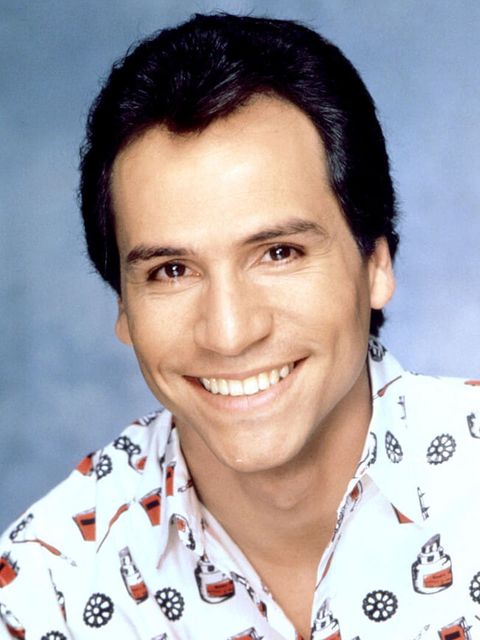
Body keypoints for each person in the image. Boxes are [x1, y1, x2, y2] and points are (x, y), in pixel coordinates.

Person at [1, 12, 479, 640]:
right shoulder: (47, 589)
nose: (229, 333)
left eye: (279, 253)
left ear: (376, 265)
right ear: (124, 308)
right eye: (172, 270)